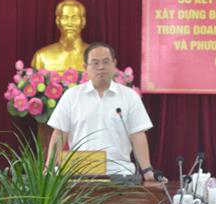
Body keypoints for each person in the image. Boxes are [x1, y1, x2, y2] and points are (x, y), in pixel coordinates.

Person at [47, 42, 158, 180]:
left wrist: (147, 171)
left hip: (118, 172)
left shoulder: (129, 96)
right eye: (95, 63)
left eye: (106, 62)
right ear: (85, 67)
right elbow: (60, 133)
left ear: (114, 64)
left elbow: (137, 135)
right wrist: (49, 168)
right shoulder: (71, 96)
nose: (101, 67)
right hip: (78, 172)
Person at [31, 0, 88, 72]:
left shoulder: (97, 56)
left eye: (74, 18)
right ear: (58, 21)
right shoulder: (42, 57)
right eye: (65, 18)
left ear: (83, 22)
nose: (69, 23)